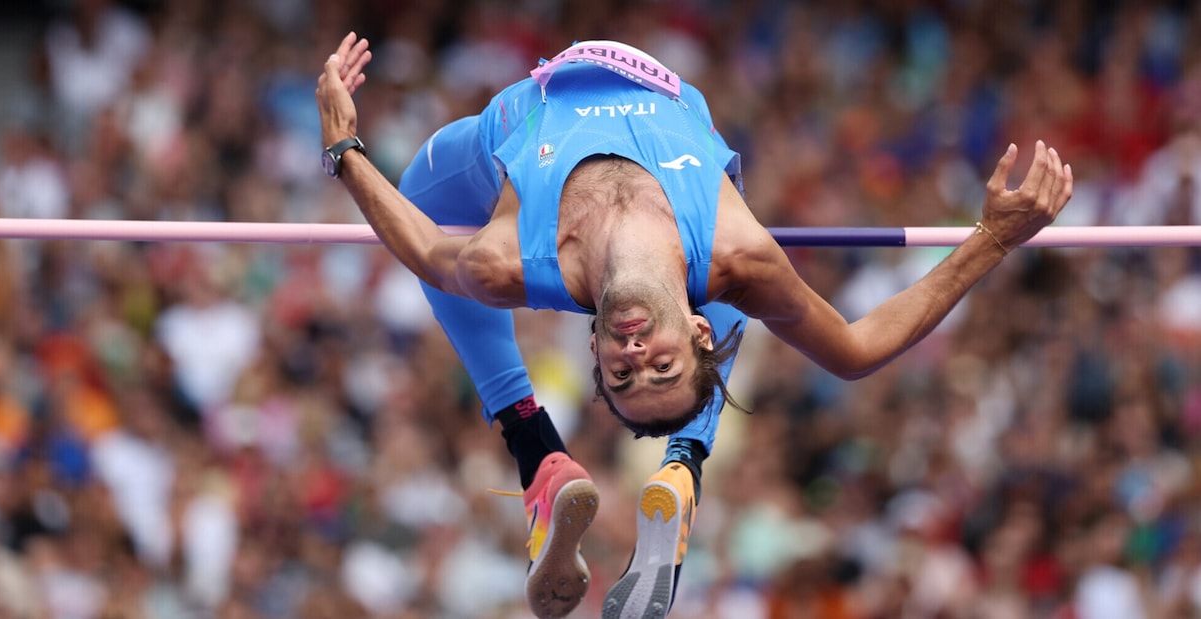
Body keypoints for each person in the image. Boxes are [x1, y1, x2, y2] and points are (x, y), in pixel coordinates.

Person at [314, 32, 1072, 619]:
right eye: (660, 369)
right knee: (731, 270)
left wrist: (344, 147)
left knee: (421, 193)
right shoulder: (740, 256)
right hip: (673, 122)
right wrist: (993, 240)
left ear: (594, 347)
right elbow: (858, 348)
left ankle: (535, 453)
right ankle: (686, 460)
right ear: (699, 337)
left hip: (524, 111)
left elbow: (417, 240)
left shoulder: (513, 261)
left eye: (622, 373)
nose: (637, 354)